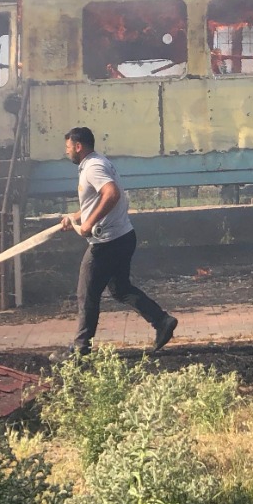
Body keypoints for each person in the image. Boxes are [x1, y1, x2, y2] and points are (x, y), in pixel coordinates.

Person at [51, 126, 177, 360]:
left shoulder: (93, 167)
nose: (66, 152)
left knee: (86, 294)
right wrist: (77, 217)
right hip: (123, 237)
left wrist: (88, 224)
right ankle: (162, 321)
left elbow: (111, 194)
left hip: (106, 243)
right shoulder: (98, 162)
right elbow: (97, 199)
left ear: (78, 147)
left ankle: (79, 353)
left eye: (68, 147)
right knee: (120, 289)